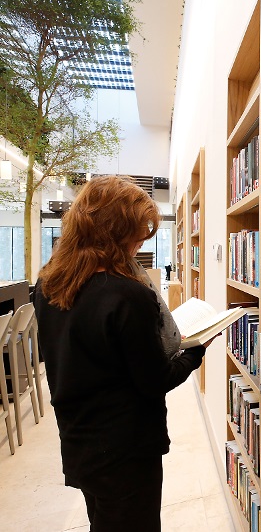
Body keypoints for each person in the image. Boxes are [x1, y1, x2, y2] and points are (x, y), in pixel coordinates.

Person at [33, 176, 216, 531]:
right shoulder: (126, 296)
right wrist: (197, 350)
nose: (138, 244)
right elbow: (155, 381)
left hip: (79, 441)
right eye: (136, 233)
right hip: (126, 450)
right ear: (115, 232)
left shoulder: (48, 285)